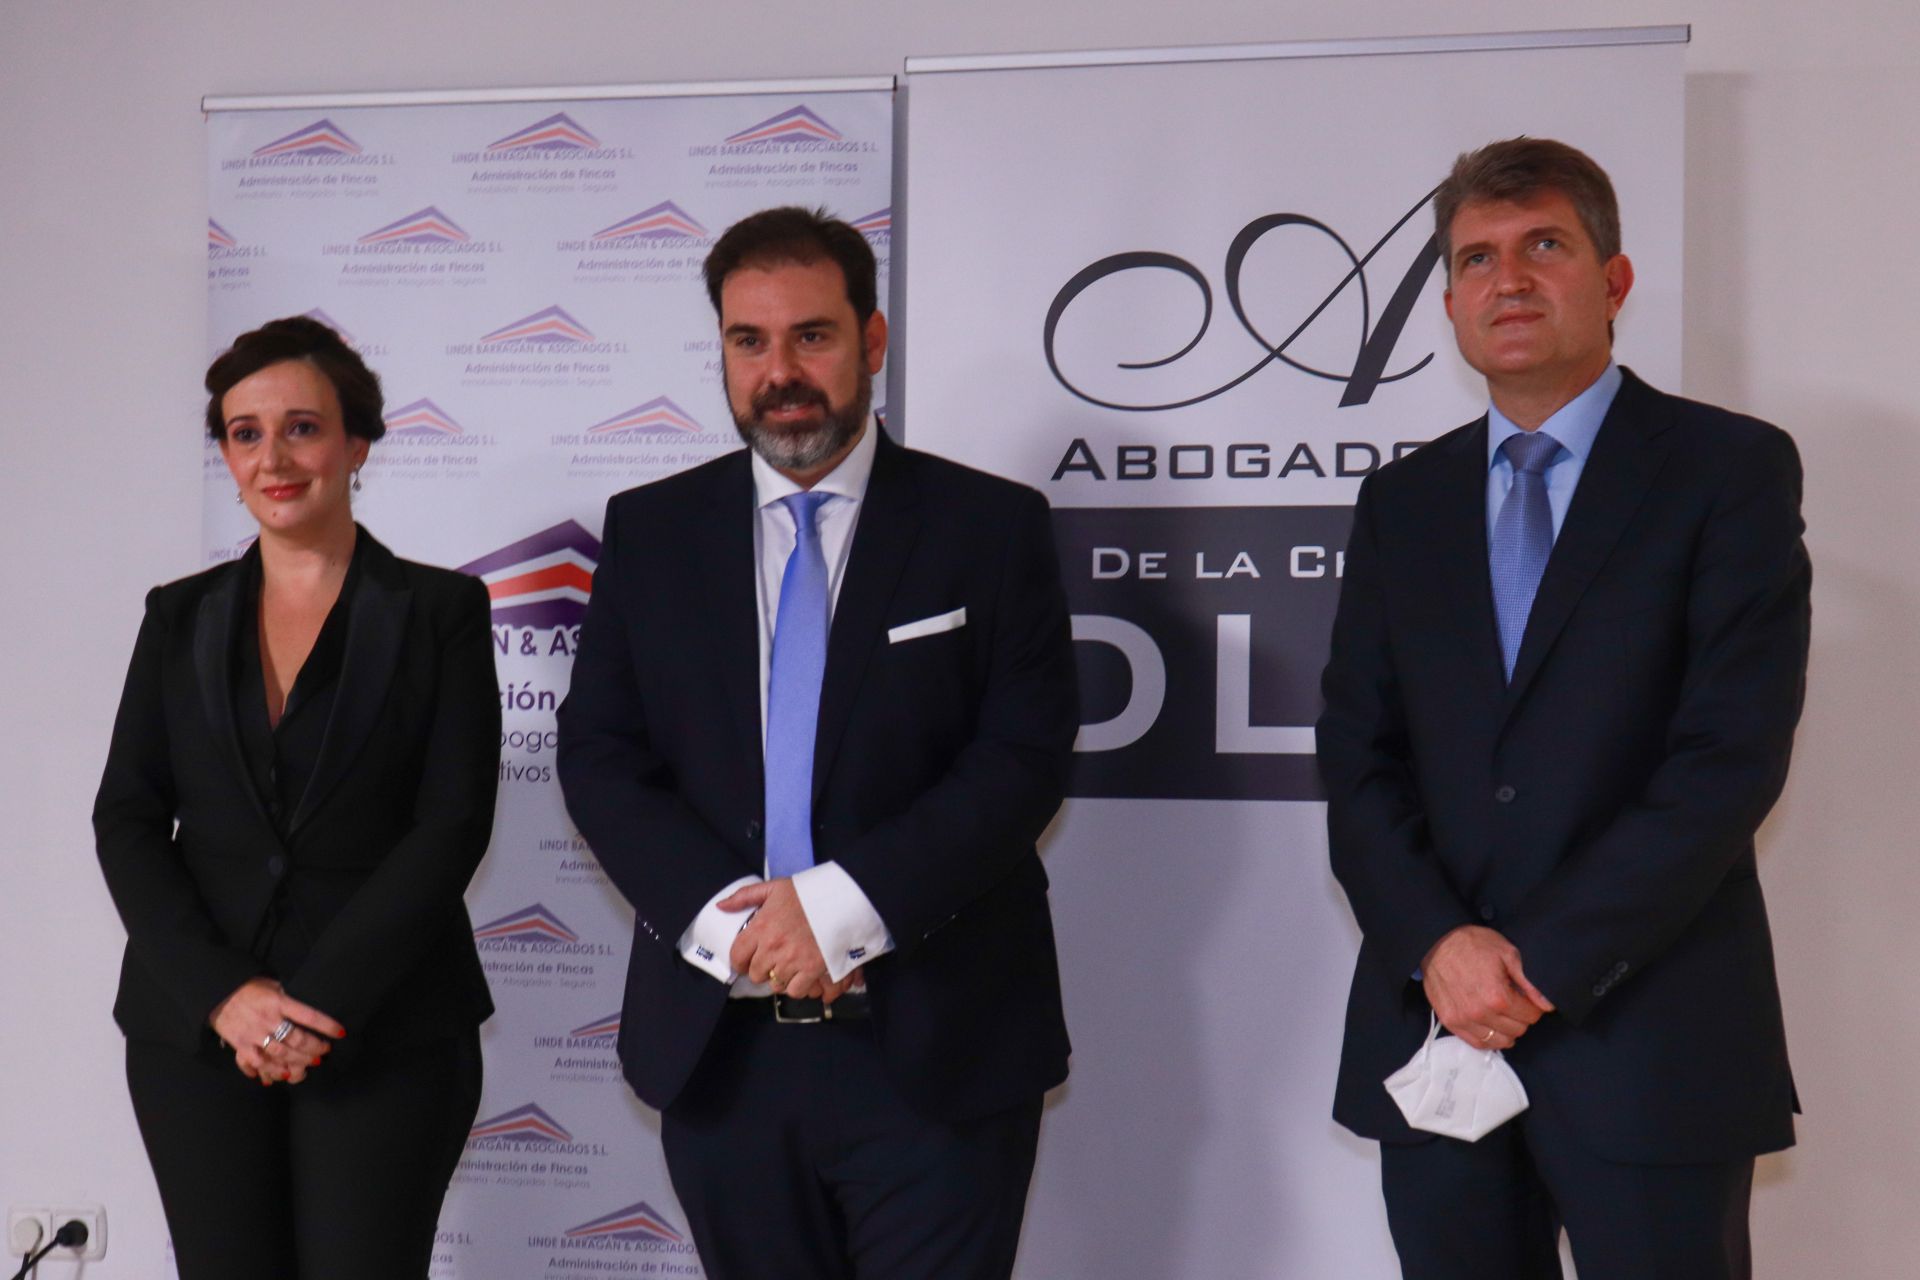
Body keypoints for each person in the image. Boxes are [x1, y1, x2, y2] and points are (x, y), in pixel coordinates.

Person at [1316, 138, 1809, 1279]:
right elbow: (1357, 755)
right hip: (1437, 1028)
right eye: (1477, 258)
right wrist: (1439, 944)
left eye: (1545, 245)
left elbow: (1727, 759)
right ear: (1449, 302)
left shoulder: (1727, 470)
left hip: (1650, 1036)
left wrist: (1538, 963)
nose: (1511, 279)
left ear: (1614, 279)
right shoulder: (1401, 503)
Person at [556, 207, 1077, 1279]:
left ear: (871, 341)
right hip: (724, 1052)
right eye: (748, 341)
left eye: (812, 336)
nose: (780, 372)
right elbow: (601, 756)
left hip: (939, 1046)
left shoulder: (989, 526)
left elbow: (1020, 759)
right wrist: (736, 923)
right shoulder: (652, 532)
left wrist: (835, 911)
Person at [93, 316, 500, 1279]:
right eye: (246, 433)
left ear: (357, 444)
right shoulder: (176, 616)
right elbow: (128, 819)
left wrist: (312, 1007)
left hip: (386, 1028)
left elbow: (451, 826)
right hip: (197, 1036)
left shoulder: (441, 612)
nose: (272, 458)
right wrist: (227, 997)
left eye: (302, 428)